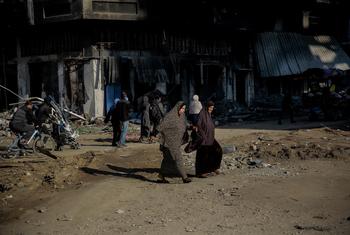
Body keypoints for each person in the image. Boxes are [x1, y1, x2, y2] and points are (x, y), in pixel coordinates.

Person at [158, 101, 191, 184]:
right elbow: (160, 127)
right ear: (178, 107)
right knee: (178, 158)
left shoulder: (182, 116)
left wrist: (191, 127)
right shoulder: (170, 116)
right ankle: (185, 177)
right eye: (182, 108)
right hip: (169, 142)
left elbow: (185, 124)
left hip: (177, 141)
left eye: (184, 109)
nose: (183, 110)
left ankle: (161, 175)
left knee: (167, 160)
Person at [195, 101, 222, 178]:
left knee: (218, 150)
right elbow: (199, 125)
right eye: (210, 108)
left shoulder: (208, 114)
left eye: (212, 108)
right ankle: (201, 172)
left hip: (210, 138)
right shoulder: (202, 114)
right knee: (203, 155)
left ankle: (214, 168)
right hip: (203, 139)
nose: (211, 109)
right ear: (207, 107)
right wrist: (203, 136)